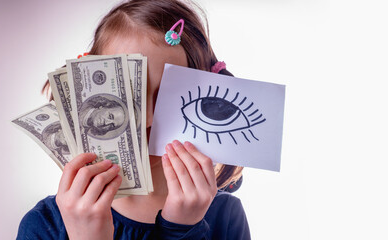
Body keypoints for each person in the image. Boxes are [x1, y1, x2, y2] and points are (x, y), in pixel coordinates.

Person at [17, 0, 249, 239]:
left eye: (169, 96)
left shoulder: (226, 217)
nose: (147, 120)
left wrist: (184, 231)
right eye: (125, 94)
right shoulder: (44, 223)